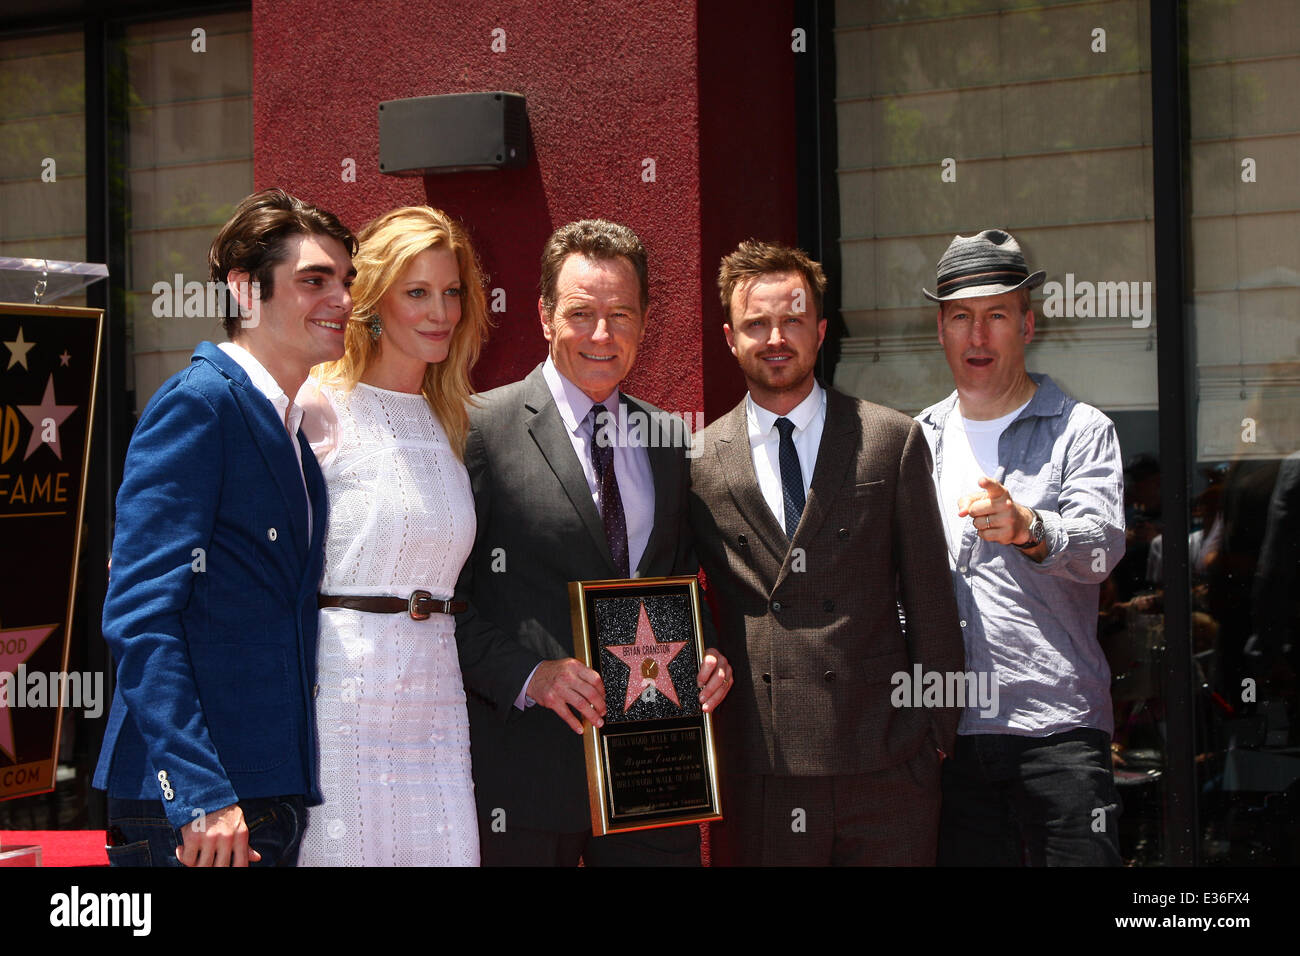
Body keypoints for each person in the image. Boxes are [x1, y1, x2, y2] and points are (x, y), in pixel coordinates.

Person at [453, 219, 731, 866]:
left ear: (644, 321)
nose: (602, 335)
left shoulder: (666, 438)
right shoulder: (480, 429)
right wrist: (531, 675)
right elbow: (449, 605)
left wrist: (708, 652)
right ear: (545, 314)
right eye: (581, 313)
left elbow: (682, 576)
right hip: (526, 775)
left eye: (620, 314)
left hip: (652, 776)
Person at [94, 188, 356, 866]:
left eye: (346, 281)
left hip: (261, 793)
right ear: (245, 291)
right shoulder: (200, 405)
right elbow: (140, 616)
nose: (343, 300)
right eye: (314, 281)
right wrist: (200, 793)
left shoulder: (292, 434)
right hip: (193, 809)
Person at [687, 239, 965, 865]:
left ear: (819, 330)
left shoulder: (890, 440)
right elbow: (683, 597)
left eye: (791, 319)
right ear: (731, 337)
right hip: (764, 762)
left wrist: (935, 737)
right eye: (756, 323)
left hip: (887, 760)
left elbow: (929, 596)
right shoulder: (698, 459)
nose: (775, 337)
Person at [915, 228, 1126, 866]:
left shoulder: (1081, 430)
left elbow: (1102, 552)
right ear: (942, 331)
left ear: (1027, 325)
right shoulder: (913, 441)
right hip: (949, 736)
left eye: (997, 315)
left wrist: (1031, 526)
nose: (978, 336)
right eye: (961, 318)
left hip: (1057, 731)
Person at [295, 206, 490, 866]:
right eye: (417, 293)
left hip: (435, 696)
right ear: (374, 301)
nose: (441, 311)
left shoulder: (453, 419)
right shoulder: (319, 405)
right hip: (342, 699)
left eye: (451, 292)